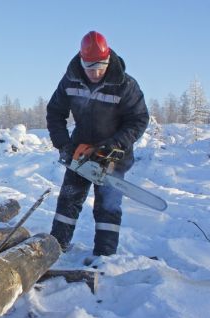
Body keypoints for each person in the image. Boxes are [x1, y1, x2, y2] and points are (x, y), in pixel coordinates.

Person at [46, 31, 149, 257]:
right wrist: (64, 145)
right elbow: (55, 112)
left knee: (107, 207)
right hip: (80, 151)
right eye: (90, 67)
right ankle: (56, 249)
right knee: (68, 200)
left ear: (108, 59)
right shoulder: (71, 79)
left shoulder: (125, 84)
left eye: (100, 66)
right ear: (81, 60)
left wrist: (114, 144)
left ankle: (104, 256)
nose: (95, 72)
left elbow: (139, 119)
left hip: (113, 153)